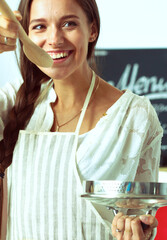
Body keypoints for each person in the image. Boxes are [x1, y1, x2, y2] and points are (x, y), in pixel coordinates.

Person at [0, 0, 163, 239]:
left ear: (92, 30)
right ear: (25, 36)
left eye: (68, 23)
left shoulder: (134, 115)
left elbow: (139, 215)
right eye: (39, 26)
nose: (54, 39)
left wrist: (137, 229)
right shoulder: (15, 99)